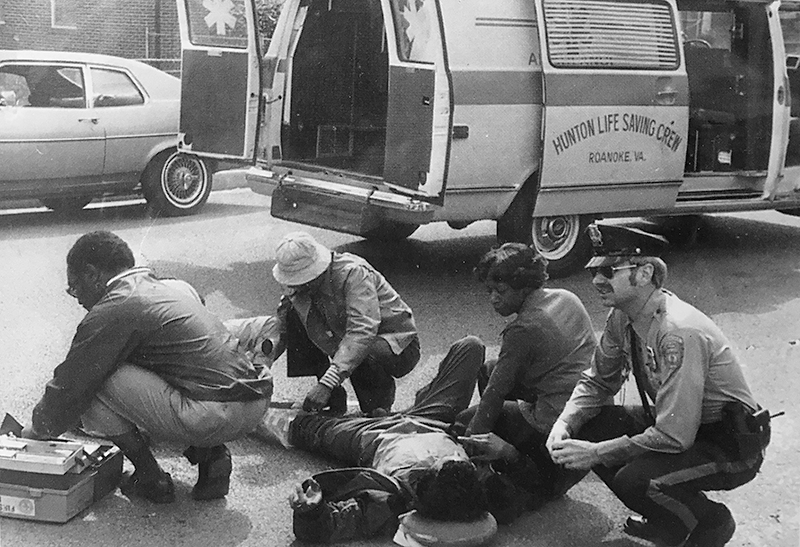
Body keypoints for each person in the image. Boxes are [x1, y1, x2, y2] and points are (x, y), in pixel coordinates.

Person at [547, 223, 771, 547]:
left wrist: (597, 453)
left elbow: (673, 436)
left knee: (638, 480)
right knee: (590, 424)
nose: (596, 280)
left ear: (644, 272)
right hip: (683, 427)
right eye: (594, 271)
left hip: (728, 442)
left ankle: (711, 523)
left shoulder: (677, 331)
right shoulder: (623, 316)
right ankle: (672, 519)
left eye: (609, 270)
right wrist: (565, 422)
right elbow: (597, 380)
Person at [22, 231, 273, 504]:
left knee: (97, 379)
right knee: (151, 362)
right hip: (253, 401)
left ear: (93, 275)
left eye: (75, 286)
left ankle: (150, 475)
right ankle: (212, 455)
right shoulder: (163, 287)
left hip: (214, 412)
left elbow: (70, 386)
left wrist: (36, 430)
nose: (76, 296)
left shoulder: (113, 308)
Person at [256, 336, 548, 543]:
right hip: (433, 419)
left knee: (304, 429)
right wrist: (509, 452)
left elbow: (329, 527)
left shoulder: (391, 501)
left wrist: (309, 511)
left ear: (422, 486)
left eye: (439, 466)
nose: (445, 459)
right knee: (471, 347)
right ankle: (411, 403)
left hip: (374, 436)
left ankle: (244, 410)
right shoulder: (487, 490)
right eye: (454, 460)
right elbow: (536, 484)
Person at [458, 242, 597, 500]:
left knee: (466, 422)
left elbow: (495, 394)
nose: (493, 298)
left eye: (500, 290)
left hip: (555, 433)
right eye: (489, 291)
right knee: (490, 370)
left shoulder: (522, 330)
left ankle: (523, 466)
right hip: (590, 421)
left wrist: (470, 441)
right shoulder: (567, 298)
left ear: (524, 287)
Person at [272, 231, 419, 416]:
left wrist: (328, 382)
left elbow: (362, 332)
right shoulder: (299, 288)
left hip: (395, 345)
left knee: (362, 349)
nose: (298, 286)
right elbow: (280, 333)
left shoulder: (353, 273)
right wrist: (257, 366)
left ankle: (378, 408)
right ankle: (330, 399)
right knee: (293, 315)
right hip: (343, 339)